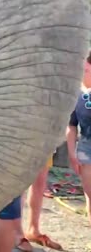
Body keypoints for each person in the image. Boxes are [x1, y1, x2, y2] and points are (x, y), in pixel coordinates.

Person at [15, 154, 62, 251]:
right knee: (20, 181)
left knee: (40, 182)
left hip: (44, 141)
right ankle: (17, 234)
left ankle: (33, 230)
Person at [66, 52, 91, 228]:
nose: (82, 75)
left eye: (86, 70)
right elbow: (71, 125)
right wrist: (72, 153)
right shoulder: (79, 97)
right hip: (86, 150)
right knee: (90, 195)